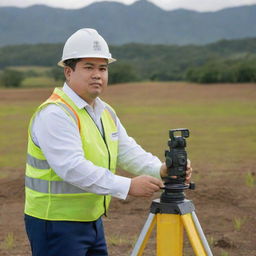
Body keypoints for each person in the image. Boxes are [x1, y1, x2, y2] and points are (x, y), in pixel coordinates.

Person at [24, 28, 192, 256]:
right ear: (68, 72)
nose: (97, 75)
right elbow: (71, 167)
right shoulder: (56, 113)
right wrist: (128, 186)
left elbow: (126, 150)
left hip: (91, 221)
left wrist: (160, 169)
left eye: (102, 68)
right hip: (54, 223)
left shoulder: (104, 111)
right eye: (88, 67)